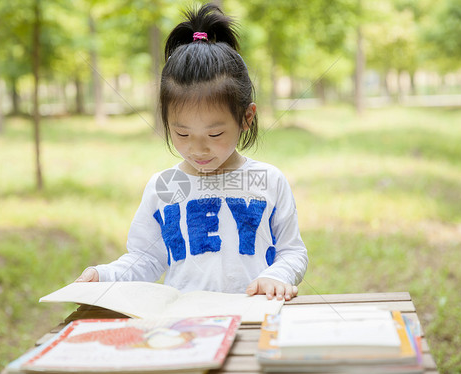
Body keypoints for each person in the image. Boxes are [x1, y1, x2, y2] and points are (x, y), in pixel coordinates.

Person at [76, 3, 308, 301]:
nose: (197, 148)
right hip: (184, 327)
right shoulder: (163, 188)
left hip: (254, 316)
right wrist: (104, 275)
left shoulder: (268, 181)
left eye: (215, 134)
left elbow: (292, 251)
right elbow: (146, 259)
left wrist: (276, 276)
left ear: (246, 118)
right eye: (182, 133)